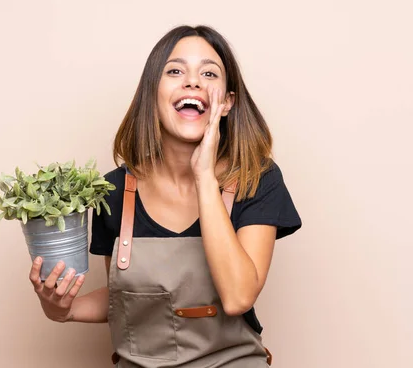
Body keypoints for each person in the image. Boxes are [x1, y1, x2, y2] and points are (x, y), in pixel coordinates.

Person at [28, 25, 302, 367]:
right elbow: (124, 299)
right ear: (152, 95)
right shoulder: (113, 193)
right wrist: (62, 309)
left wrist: (203, 175)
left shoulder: (256, 179)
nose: (192, 82)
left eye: (208, 73)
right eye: (175, 71)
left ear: (228, 102)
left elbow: (238, 297)